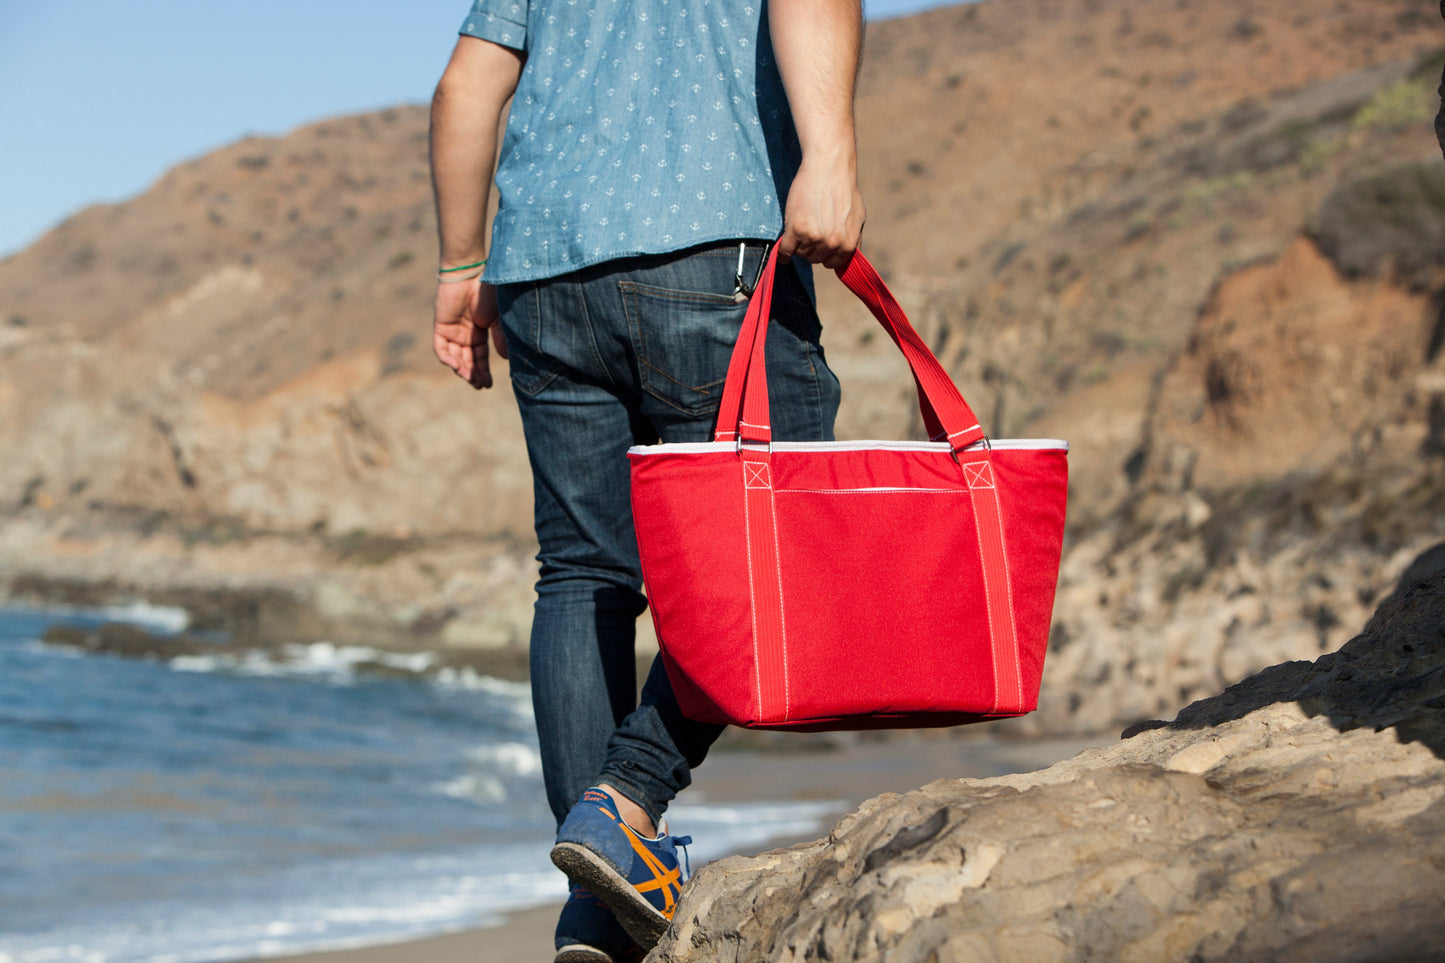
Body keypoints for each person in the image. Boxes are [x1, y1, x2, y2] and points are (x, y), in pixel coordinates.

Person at [429, 0, 865, 958]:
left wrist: (461, 263)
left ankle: (598, 907)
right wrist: (828, 158)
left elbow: (467, 84)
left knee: (583, 571)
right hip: (715, 243)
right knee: (789, 544)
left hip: (543, 272)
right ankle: (626, 796)